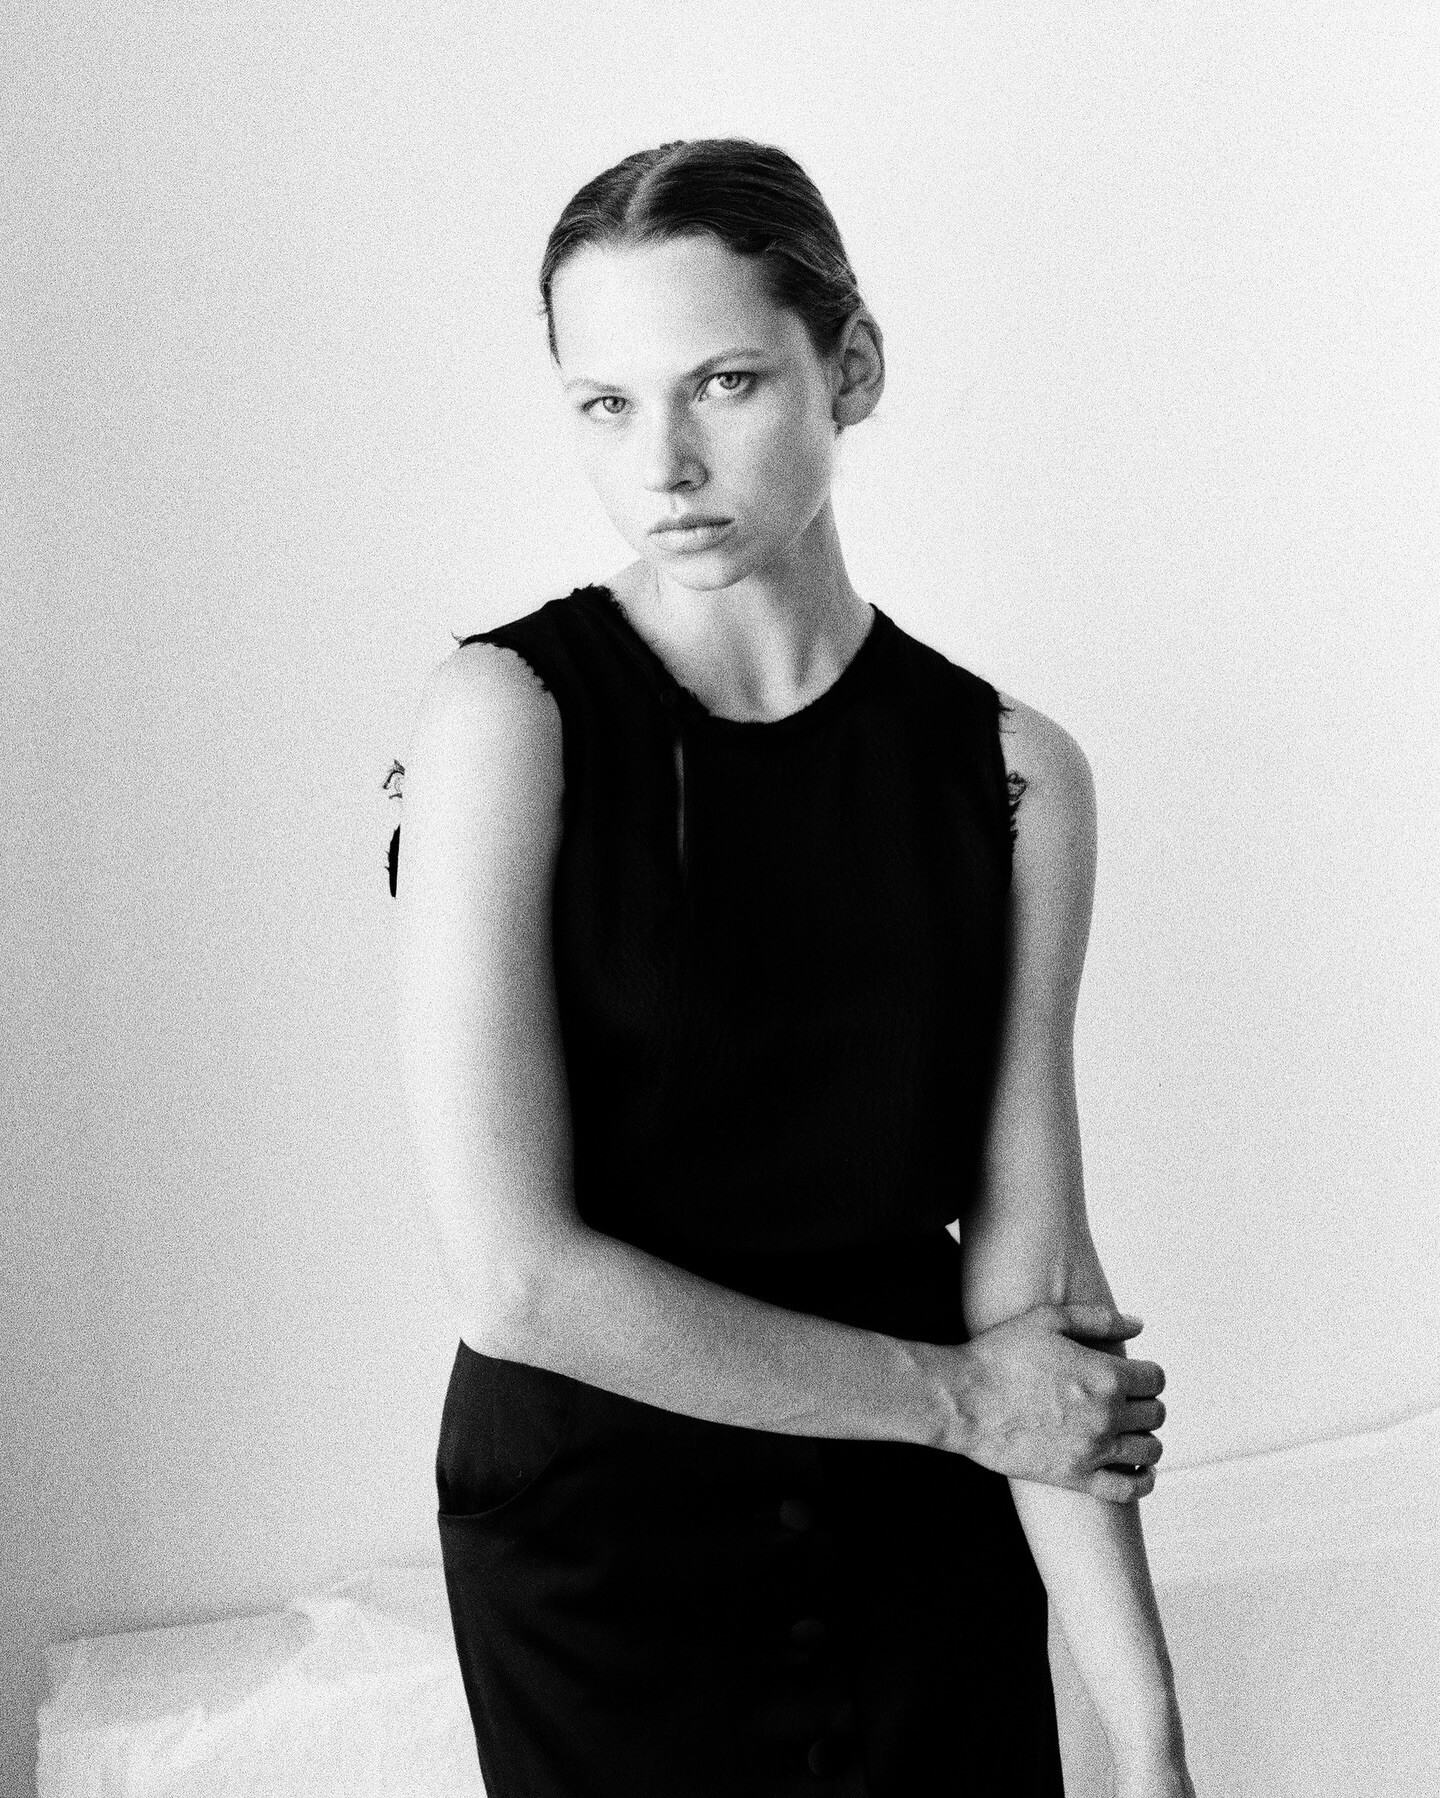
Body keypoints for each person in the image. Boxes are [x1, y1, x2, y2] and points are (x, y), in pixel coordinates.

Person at [390, 137, 1195, 1798]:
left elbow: (1033, 1276)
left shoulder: (1016, 777)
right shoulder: (505, 722)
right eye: (605, 404)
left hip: (921, 1536)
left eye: (726, 382)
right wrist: (963, 1402)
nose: (664, 463)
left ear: (854, 368)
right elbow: (514, 1277)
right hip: (604, 1560)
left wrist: (1149, 1736)